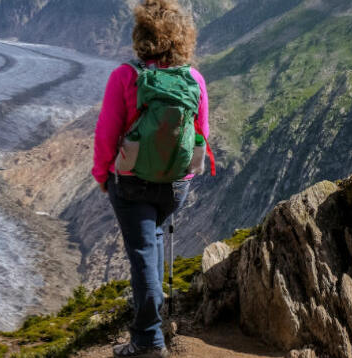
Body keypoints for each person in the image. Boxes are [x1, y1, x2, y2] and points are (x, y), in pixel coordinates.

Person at [92, 0, 210, 357]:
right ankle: (153, 319)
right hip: (175, 185)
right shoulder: (194, 79)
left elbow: (106, 134)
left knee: (142, 253)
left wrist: (102, 176)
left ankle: (148, 339)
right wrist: (186, 176)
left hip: (131, 183)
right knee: (153, 238)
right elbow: (201, 132)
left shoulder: (126, 76)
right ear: (183, 38)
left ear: (142, 33)